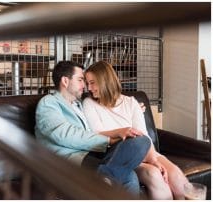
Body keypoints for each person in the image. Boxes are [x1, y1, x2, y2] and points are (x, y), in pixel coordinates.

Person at [35, 61, 152, 196]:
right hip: (67, 159)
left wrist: (136, 108)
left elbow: (102, 115)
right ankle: (105, 177)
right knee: (129, 178)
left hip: (91, 154)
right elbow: (63, 134)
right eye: (80, 80)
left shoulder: (78, 105)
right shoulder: (48, 103)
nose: (85, 86)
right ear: (65, 81)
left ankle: (106, 177)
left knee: (141, 141)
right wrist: (109, 140)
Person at [82, 61, 189, 199]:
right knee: (154, 174)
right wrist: (123, 131)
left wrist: (153, 159)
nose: (88, 88)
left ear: (104, 81)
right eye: (87, 83)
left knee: (176, 176)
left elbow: (143, 136)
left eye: (92, 82)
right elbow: (97, 134)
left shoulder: (131, 102)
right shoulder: (89, 104)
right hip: (122, 155)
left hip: (144, 150)